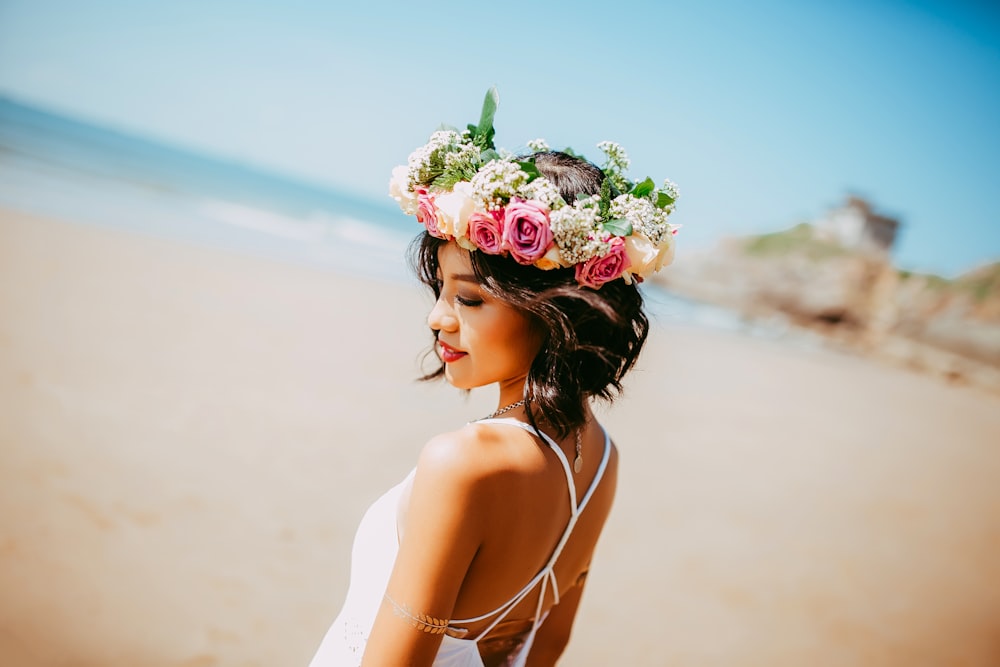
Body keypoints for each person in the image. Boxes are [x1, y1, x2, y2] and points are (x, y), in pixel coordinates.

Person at [308, 89, 679, 666]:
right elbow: (546, 647)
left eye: (469, 300)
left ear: (552, 308)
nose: (437, 319)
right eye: (439, 292)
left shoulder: (464, 462)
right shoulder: (601, 458)